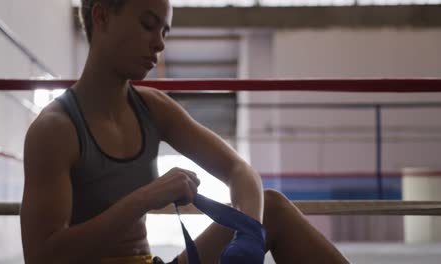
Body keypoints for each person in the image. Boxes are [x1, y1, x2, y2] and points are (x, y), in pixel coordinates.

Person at [20, 0, 349, 263]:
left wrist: (249, 234)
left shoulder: (152, 108)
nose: (159, 43)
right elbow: (42, 257)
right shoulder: (55, 130)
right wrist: (145, 198)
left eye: (164, 30)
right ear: (103, 16)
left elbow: (239, 170)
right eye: (148, 25)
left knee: (272, 208)